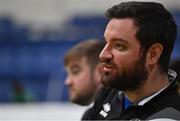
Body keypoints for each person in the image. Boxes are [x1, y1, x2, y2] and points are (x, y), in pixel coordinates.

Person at [83, 1, 180, 120]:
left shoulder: (168, 116)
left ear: (153, 54)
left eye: (119, 46)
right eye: (106, 43)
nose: (103, 55)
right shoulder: (110, 91)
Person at [64, 39, 104, 106]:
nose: (67, 82)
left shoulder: (122, 112)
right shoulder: (92, 114)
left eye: (75, 72)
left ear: (101, 72)